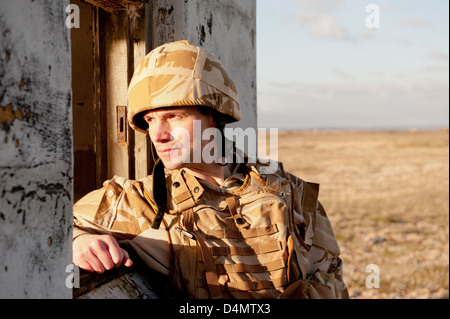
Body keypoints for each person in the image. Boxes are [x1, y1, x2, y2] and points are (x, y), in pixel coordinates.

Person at [73, 40, 349, 299]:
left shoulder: (290, 192)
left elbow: (330, 278)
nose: (158, 135)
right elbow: (49, 229)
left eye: (173, 116)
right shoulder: (139, 200)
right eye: (150, 119)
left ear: (214, 117)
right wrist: (78, 241)